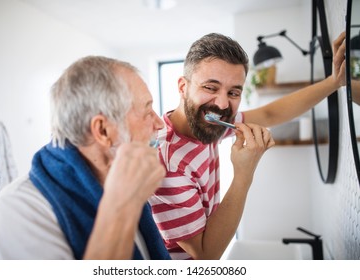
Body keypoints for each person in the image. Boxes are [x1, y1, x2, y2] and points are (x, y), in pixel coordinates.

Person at [148, 32, 346, 260]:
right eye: (211, 88)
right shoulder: (166, 164)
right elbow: (206, 256)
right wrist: (244, 173)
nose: (222, 103)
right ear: (183, 87)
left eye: (233, 92)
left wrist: (334, 82)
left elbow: (269, 113)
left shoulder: (209, 125)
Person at [0, 56, 171, 260]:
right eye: (147, 111)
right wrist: (123, 206)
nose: (160, 123)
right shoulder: (17, 211)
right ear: (103, 131)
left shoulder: (127, 185)